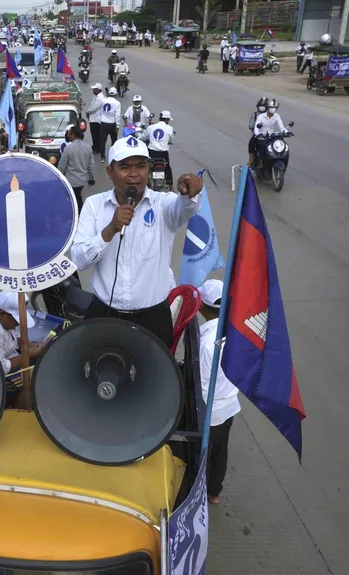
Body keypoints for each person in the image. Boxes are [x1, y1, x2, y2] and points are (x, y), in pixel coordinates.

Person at [71, 136, 203, 348]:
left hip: (152, 319)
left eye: (141, 166)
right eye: (125, 167)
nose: (134, 174)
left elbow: (185, 208)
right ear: (109, 172)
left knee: (153, 378)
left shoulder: (163, 204)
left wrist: (190, 193)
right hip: (105, 314)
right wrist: (109, 230)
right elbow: (79, 259)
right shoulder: (94, 206)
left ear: (149, 170)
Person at [197, 279, 241, 505]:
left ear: (201, 307)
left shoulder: (206, 342)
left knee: (201, 453)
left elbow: (203, 381)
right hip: (230, 404)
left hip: (209, 409)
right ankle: (214, 492)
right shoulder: (237, 333)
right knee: (220, 452)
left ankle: (195, 494)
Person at [0, 292, 44, 376]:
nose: (18, 324)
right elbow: (1, 368)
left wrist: (29, 345)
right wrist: (27, 355)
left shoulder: (4, 321)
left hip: (15, 354)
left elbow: (16, 336)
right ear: (2, 314)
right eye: (16, 320)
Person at [57, 122, 95, 212]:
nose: (68, 135)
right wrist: (91, 178)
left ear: (73, 135)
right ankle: (80, 213)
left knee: (72, 198)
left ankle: (74, 214)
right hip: (82, 181)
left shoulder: (68, 148)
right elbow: (91, 165)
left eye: (69, 133)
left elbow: (62, 166)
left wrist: (58, 178)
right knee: (77, 196)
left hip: (71, 181)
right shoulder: (88, 147)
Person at [250, 98, 286, 167]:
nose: (273, 109)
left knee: (280, 145)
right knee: (261, 147)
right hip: (261, 136)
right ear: (268, 107)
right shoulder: (260, 116)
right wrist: (258, 134)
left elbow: (282, 128)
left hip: (271, 136)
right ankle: (259, 162)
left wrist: (286, 132)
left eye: (274, 107)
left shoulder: (277, 116)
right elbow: (256, 128)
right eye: (271, 107)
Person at [146, 110, 175, 186]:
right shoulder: (170, 128)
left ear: (160, 118)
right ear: (167, 119)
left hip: (152, 152)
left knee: (146, 166)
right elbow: (171, 140)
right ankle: (170, 186)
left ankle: (145, 181)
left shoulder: (150, 127)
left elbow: (144, 136)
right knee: (167, 168)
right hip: (163, 153)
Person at [98, 87, 121, 163]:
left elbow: (100, 111)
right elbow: (117, 115)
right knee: (114, 140)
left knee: (102, 141)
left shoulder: (103, 101)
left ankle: (102, 157)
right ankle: (112, 156)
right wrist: (117, 126)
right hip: (112, 124)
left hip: (103, 123)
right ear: (115, 94)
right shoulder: (117, 103)